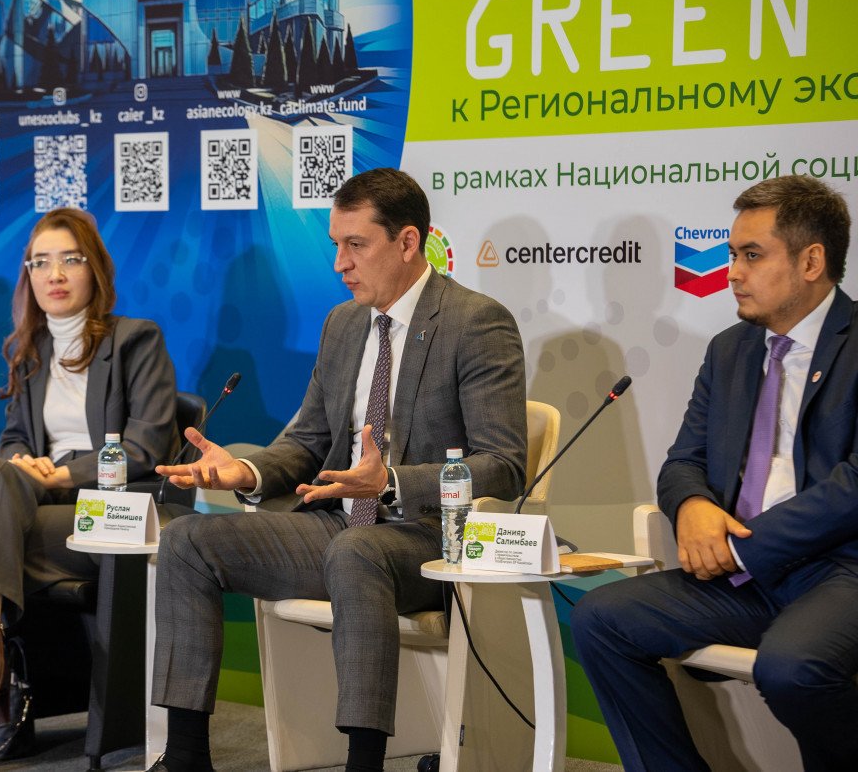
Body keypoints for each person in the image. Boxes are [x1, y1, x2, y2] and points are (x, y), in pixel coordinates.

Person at [148, 168, 528, 772]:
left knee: (357, 552)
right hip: (339, 527)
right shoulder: (343, 324)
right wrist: (245, 471)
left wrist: (393, 483)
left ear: (407, 242)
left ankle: (363, 761)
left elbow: (504, 466)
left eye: (356, 245)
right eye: (335, 245)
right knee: (187, 541)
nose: (339, 264)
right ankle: (185, 757)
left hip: (431, 538)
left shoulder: (476, 322)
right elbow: (307, 441)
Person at [570, 175, 858, 772]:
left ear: (811, 262)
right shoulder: (730, 350)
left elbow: (853, 486)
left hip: (840, 572)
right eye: (731, 254)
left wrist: (740, 546)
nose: (732, 272)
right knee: (602, 618)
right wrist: (693, 507)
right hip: (744, 577)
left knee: (792, 668)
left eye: (752, 255)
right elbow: (684, 461)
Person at [0, 208, 179, 772]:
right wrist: (23, 464)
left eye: (70, 259)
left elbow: (145, 447)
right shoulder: (31, 349)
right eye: (40, 262)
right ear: (28, 275)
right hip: (34, 510)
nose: (55, 274)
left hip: (105, 516)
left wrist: (62, 473)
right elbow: (13, 441)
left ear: (95, 269)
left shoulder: (136, 340)